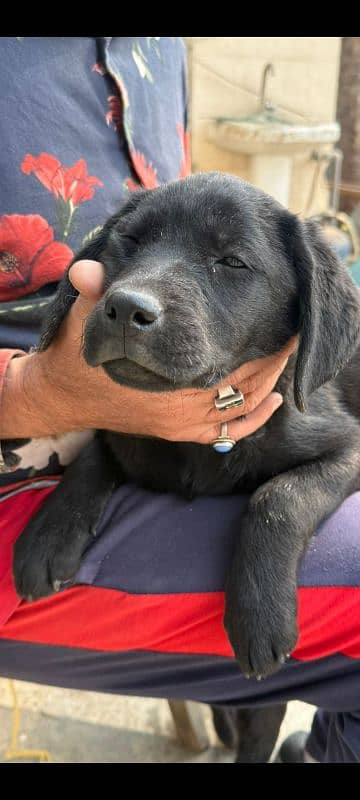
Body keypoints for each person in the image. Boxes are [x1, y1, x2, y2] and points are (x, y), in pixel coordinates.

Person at [0, 36, 359, 764]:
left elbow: (340, 445)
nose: (141, 288)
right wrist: (42, 392)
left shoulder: (156, 48)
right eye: (131, 249)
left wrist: (275, 518)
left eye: (230, 263)